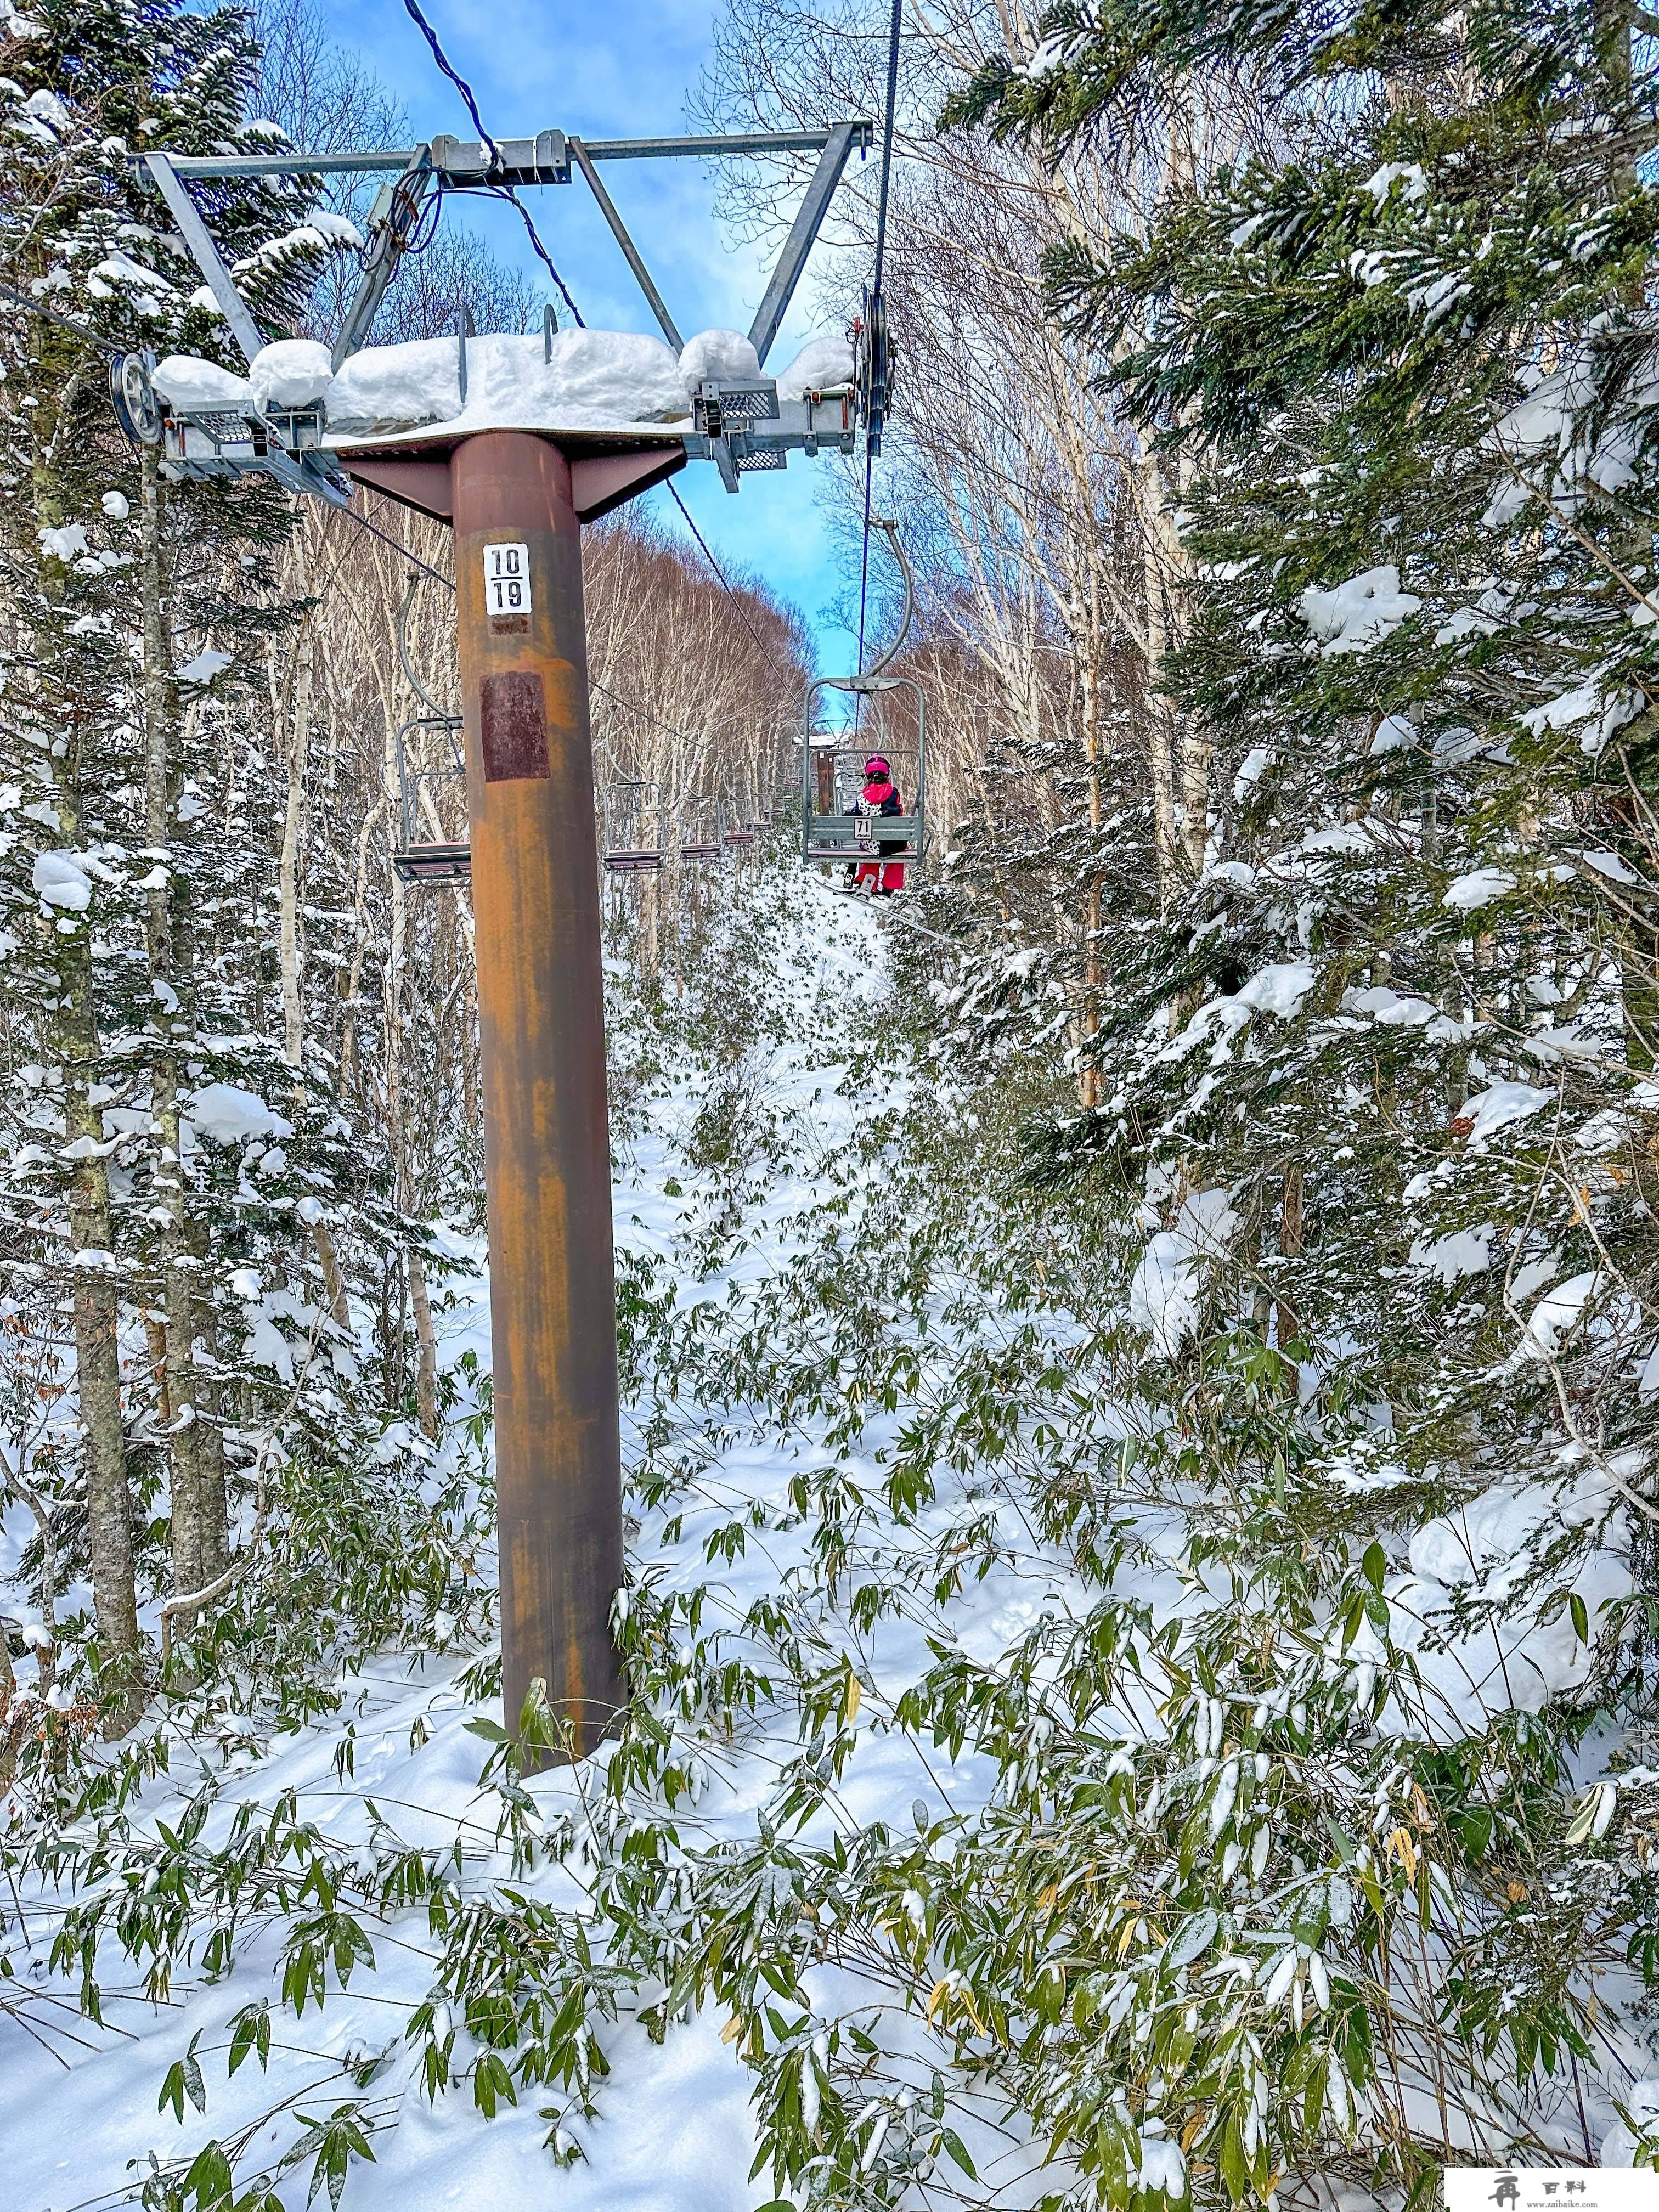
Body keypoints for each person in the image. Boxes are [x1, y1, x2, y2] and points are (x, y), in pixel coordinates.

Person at [846, 753, 907, 895]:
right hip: (891, 845)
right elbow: (898, 813)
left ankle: (868, 883)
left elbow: (858, 818)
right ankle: (889, 887)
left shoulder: (862, 797)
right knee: (898, 848)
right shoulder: (894, 793)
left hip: (870, 844)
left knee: (868, 845)